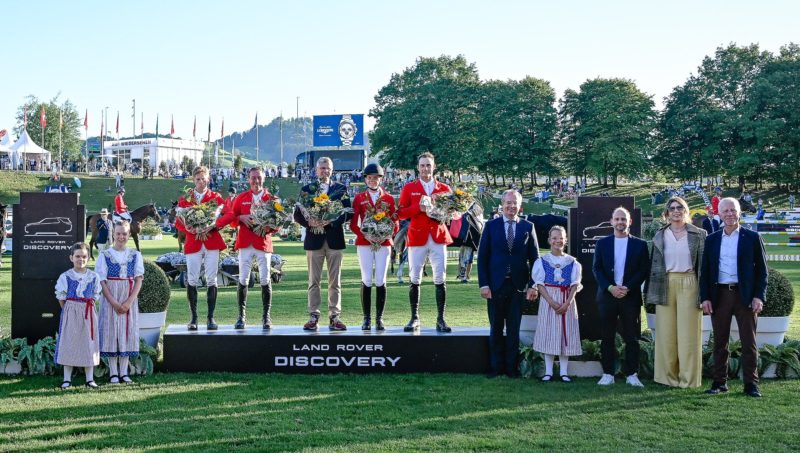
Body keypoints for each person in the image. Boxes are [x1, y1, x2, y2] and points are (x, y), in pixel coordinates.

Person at [700, 197, 768, 397]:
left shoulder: (752, 238)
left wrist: (758, 296)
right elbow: (705, 272)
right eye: (725, 211)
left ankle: (751, 384)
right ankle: (719, 382)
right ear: (719, 214)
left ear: (739, 213)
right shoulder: (711, 239)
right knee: (720, 342)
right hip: (719, 295)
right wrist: (705, 297)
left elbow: (763, 272)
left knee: (749, 342)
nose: (729, 214)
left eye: (733, 210)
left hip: (745, 296)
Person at [645, 197, 707, 388]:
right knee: (666, 334)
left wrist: (705, 294)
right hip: (665, 283)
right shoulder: (659, 235)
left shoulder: (699, 234)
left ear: (685, 210)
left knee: (689, 334)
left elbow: (704, 266)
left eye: (680, 207)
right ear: (667, 213)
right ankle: (667, 378)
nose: (676, 211)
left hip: (690, 282)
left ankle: (688, 380)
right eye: (672, 208)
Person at [477, 190, 540, 378]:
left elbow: (535, 259)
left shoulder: (528, 227)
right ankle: (496, 369)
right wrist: (484, 284)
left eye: (515, 203)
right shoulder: (491, 226)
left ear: (520, 206)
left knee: (514, 330)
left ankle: (512, 369)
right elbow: (482, 258)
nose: (511, 206)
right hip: (495, 286)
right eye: (508, 203)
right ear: (502, 204)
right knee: (495, 328)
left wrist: (533, 285)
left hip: (518, 287)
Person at [592, 207, 650, 387]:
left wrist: (627, 287)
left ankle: (632, 374)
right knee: (607, 336)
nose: (620, 222)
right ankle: (608, 373)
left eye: (623, 219)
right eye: (617, 219)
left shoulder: (640, 245)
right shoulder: (602, 244)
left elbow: (643, 270)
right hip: (608, 296)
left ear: (630, 222)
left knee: (631, 338)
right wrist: (610, 288)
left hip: (629, 296)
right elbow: (597, 269)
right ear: (611, 221)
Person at [397, 152, 454, 332]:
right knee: (415, 277)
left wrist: (450, 213)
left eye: (428, 165)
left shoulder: (444, 188)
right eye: (422, 165)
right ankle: (414, 318)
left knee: (440, 277)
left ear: (434, 166)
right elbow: (400, 213)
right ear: (418, 167)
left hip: (438, 235)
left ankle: (441, 319)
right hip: (417, 236)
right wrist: (418, 208)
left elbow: (451, 213)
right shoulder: (409, 188)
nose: (425, 169)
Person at [293, 157, 351, 331]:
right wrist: (310, 223)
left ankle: (334, 316)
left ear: (332, 171)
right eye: (322, 168)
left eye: (328, 168)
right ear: (316, 170)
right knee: (313, 281)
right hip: (314, 240)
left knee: (335, 281)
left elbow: (349, 213)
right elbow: (297, 215)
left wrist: (331, 222)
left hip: (334, 239)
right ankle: (313, 316)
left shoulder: (341, 189)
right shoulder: (306, 189)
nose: (325, 171)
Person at [217, 167, 278, 330]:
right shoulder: (241, 198)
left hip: (263, 243)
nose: (256, 181)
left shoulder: (271, 198)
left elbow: (277, 223)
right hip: (245, 243)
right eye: (253, 178)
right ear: (248, 179)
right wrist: (240, 217)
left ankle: (266, 317)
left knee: (265, 279)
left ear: (263, 179)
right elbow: (232, 218)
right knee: (243, 278)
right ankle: (241, 317)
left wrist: (267, 227)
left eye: (258, 177)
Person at [175, 166, 226, 331]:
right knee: (192, 279)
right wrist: (192, 230)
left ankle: (211, 318)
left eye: (204, 179)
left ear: (208, 179)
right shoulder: (186, 198)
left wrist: (211, 227)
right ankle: (194, 318)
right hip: (193, 241)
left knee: (212, 279)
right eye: (198, 179)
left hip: (211, 242)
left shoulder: (216, 197)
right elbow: (179, 221)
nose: (201, 182)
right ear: (193, 180)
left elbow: (227, 215)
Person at [350, 163, 398, 330]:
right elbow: (353, 224)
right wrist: (367, 236)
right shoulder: (358, 198)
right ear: (365, 179)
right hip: (365, 243)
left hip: (384, 243)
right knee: (366, 279)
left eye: (375, 178)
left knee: (381, 280)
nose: (372, 180)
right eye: (369, 178)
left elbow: (395, 223)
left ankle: (379, 318)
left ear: (381, 179)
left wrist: (384, 236)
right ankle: (366, 319)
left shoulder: (389, 198)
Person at [95, 221, 143, 385]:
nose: (121, 236)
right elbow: (102, 281)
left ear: (129, 235)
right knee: (111, 331)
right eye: (118, 233)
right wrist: (114, 302)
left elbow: (138, 280)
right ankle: (113, 373)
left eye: (124, 233)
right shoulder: (105, 255)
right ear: (113, 235)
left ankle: (124, 372)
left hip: (129, 296)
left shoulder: (135, 255)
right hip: (111, 297)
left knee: (126, 331)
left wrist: (129, 302)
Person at [532, 226, 582, 382]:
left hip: (567, 299)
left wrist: (567, 303)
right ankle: (548, 371)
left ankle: (563, 372)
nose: (557, 241)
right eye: (554, 238)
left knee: (564, 334)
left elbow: (575, 284)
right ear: (549, 240)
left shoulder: (572, 262)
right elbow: (540, 284)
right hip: (549, 300)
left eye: (561, 238)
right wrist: (552, 302)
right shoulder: (542, 261)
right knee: (549, 334)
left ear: (565, 240)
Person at [55, 243, 101, 389]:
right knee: (69, 342)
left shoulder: (93, 276)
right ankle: (67, 379)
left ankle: (89, 379)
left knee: (89, 342)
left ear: (88, 258)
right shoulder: (66, 276)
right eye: (77, 256)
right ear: (71, 258)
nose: (81, 259)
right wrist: (69, 310)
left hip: (88, 311)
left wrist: (87, 307)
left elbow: (95, 295)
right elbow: (61, 296)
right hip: (71, 310)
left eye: (84, 256)